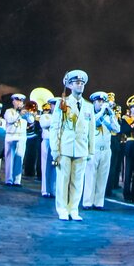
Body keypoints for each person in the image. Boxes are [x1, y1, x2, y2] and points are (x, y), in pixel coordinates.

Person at [49, 69, 95, 221]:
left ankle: (73, 209)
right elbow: (55, 127)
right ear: (70, 85)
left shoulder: (88, 106)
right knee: (63, 180)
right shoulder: (63, 103)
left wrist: (91, 151)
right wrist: (55, 149)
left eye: (82, 83)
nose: (80, 85)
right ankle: (62, 209)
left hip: (81, 148)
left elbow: (91, 130)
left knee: (77, 181)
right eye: (77, 83)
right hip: (65, 147)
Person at [82, 90, 119, 210]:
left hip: (106, 150)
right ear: (94, 102)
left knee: (102, 177)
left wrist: (112, 115)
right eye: (99, 101)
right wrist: (102, 111)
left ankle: (98, 202)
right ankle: (87, 202)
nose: (101, 104)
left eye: (103, 101)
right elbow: (93, 122)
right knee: (90, 176)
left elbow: (117, 129)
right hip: (93, 150)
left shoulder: (107, 116)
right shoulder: (89, 114)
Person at [3, 93, 33, 186]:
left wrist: (28, 114)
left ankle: (17, 180)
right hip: (11, 136)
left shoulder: (25, 112)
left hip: (21, 136)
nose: (19, 103)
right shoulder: (9, 111)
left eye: (21, 101)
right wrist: (19, 114)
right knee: (10, 159)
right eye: (17, 101)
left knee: (19, 159)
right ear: (13, 102)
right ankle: (9, 179)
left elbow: (31, 121)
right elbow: (10, 120)